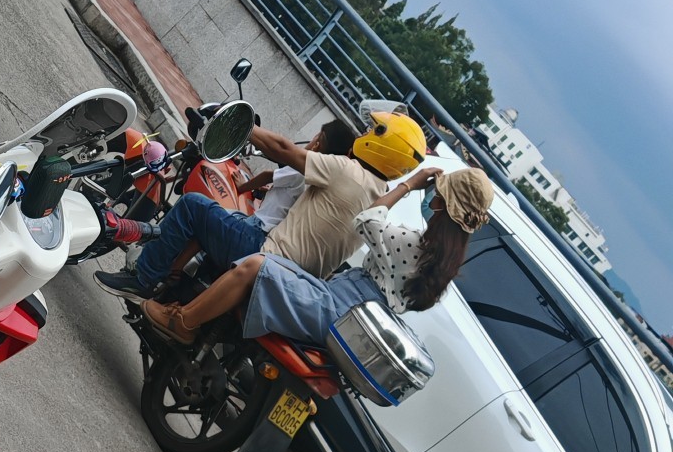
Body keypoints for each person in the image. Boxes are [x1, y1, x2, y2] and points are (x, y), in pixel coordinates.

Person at [140, 163, 496, 349]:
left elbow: (367, 219)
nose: (431, 197)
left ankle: (183, 322)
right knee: (275, 265)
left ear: (442, 206)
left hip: (336, 308)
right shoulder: (440, 266)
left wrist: (409, 184)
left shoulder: (414, 244)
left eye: (436, 194)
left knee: (257, 265)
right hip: (348, 313)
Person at [94, 110, 430, 303]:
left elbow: (282, 149)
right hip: (297, 282)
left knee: (194, 206)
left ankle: (143, 278)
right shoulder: (380, 198)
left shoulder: (346, 171)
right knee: (219, 219)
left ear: (383, 143)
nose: (367, 132)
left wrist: (237, 121)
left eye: (374, 130)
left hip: (264, 253)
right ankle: (174, 279)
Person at [247, 117, 358, 234]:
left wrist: (242, 186)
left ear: (316, 145)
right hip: (272, 232)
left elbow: (268, 173)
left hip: (259, 225)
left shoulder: (302, 169)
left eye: (316, 137)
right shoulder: (320, 183)